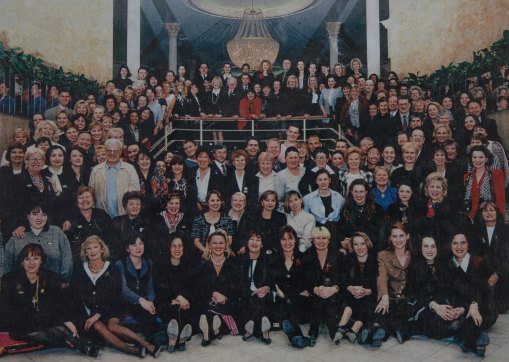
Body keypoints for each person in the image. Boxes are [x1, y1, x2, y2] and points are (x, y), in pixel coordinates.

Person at [0, 244, 98, 357]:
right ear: (22, 262)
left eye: (36, 258)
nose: (32, 263)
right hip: (20, 324)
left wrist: (66, 321)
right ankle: (78, 343)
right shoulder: (10, 279)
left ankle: (74, 343)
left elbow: (54, 305)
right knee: (44, 331)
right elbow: (8, 310)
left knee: (47, 331)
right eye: (27, 259)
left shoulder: (49, 277)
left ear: (41, 260)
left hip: (43, 322)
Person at [70, 236, 161, 357]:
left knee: (112, 326)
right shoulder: (79, 269)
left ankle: (147, 345)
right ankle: (133, 350)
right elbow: (75, 295)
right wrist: (89, 315)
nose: (93, 251)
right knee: (97, 326)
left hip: (110, 308)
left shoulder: (112, 268)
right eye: (89, 248)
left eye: (96, 247)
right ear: (85, 252)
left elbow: (114, 295)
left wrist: (99, 314)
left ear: (102, 249)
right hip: (89, 312)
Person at [447, 233, 498, 357]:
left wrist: (474, 305)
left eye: (463, 242)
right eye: (455, 243)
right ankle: (476, 340)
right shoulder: (447, 265)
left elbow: (483, 290)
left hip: (482, 306)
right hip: (462, 308)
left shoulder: (479, 262)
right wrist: (464, 308)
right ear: (450, 245)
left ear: (468, 245)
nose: (459, 246)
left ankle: (470, 339)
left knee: (466, 320)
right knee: (455, 323)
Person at [407, 236, 463, 343]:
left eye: (433, 246)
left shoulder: (447, 265)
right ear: (420, 248)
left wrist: (455, 309)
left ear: (438, 248)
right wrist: (434, 306)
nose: (430, 250)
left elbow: (453, 291)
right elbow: (415, 295)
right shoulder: (414, 268)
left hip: (443, 307)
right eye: (426, 246)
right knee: (450, 326)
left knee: (458, 320)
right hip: (424, 307)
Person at [4, 202, 73, 282]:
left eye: (43, 215)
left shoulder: (57, 232)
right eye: (35, 214)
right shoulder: (18, 235)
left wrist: (64, 281)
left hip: (53, 285)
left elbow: (67, 258)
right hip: (22, 286)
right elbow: (6, 262)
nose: (39, 218)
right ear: (28, 216)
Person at [371, 223, 412, 347]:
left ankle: (384, 331)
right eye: (395, 236)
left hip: (407, 300)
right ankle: (378, 331)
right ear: (390, 238)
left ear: (407, 236)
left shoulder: (414, 255)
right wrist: (384, 297)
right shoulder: (383, 255)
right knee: (381, 312)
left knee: (401, 317)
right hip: (390, 298)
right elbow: (381, 277)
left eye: (401, 236)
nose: (398, 240)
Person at [116, 233, 161, 344]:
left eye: (141, 244)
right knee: (148, 319)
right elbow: (123, 289)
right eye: (134, 245)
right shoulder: (121, 264)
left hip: (145, 301)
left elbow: (150, 287)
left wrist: (150, 302)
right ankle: (157, 339)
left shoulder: (149, 263)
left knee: (157, 311)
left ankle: (170, 336)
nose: (138, 247)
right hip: (128, 302)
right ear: (127, 248)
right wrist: (141, 301)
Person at [195, 230, 239, 346]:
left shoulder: (233, 263)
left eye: (221, 243)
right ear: (209, 245)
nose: (218, 246)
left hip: (227, 302)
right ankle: (214, 330)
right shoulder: (203, 263)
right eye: (214, 243)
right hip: (209, 301)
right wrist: (213, 293)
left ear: (226, 245)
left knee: (227, 310)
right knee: (204, 309)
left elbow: (237, 286)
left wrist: (223, 296)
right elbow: (198, 287)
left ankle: (209, 332)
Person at [336, 232, 378, 345]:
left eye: (362, 244)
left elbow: (378, 285)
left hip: (370, 295)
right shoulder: (349, 259)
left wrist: (367, 291)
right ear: (352, 246)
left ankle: (352, 327)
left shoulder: (375, 260)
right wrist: (351, 288)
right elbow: (343, 281)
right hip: (352, 295)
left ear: (367, 244)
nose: (359, 247)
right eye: (356, 244)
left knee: (366, 300)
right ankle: (345, 325)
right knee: (351, 296)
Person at [274, 226, 312, 348]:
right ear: (279, 241)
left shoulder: (303, 258)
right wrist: (277, 289)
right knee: (286, 302)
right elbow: (272, 280)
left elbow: (305, 283)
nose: (287, 242)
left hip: (300, 303)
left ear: (296, 240)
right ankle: (300, 338)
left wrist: (287, 292)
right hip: (282, 299)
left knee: (289, 301)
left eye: (290, 238)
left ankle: (294, 334)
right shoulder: (274, 259)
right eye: (283, 239)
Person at [154, 235, 194, 352]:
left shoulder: (188, 266)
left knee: (184, 308)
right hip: (167, 301)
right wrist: (176, 298)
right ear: (169, 248)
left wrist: (183, 299)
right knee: (174, 308)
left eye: (180, 246)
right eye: (174, 246)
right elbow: (161, 289)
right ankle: (177, 338)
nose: (177, 249)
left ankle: (175, 338)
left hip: (184, 302)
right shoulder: (161, 266)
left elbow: (191, 288)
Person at [305, 226, 342, 344]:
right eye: (318, 238)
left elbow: (343, 277)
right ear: (313, 240)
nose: (321, 241)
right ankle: (332, 328)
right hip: (314, 293)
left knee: (328, 296)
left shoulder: (337, 255)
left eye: (324, 238)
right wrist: (315, 289)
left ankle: (314, 329)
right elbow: (305, 278)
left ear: (329, 240)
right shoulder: (307, 255)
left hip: (334, 292)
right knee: (319, 297)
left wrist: (334, 288)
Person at [472, 201, 509, 312]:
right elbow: (475, 254)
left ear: (497, 213)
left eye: (492, 210)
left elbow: (506, 256)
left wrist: (497, 274)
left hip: (502, 271)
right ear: (481, 214)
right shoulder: (476, 231)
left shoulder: (506, 230)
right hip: (484, 271)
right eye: (485, 210)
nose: (489, 213)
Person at [88, 138, 140, 218]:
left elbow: (135, 195)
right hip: (102, 218)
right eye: (109, 150)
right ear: (105, 151)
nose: (112, 153)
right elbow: (91, 194)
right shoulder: (96, 170)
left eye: (116, 150)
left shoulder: (129, 169)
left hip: (124, 217)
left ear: (120, 152)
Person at [238, 230, 273, 344]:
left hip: (261, 292)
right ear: (247, 242)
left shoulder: (267, 259)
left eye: (258, 240)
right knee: (249, 301)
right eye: (252, 239)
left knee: (262, 299)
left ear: (262, 244)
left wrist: (266, 287)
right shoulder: (241, 259)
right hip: (246, 293)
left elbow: (271, 279)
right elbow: (238, 281)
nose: (254, 242)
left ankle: (251, 329)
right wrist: (249, 292)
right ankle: (263, 331)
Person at [63, 186, 112, 263]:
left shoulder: (102, 215)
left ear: (93, 200)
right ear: (76, 201)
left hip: (103, 257)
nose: (84, 200)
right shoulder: (71, 219)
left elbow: (111, 238)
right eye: (81, 198)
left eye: (87, 197)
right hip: (80, 260)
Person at [339, 179, 386, 251]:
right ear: (351, 192)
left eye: (361, 192)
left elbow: (380, 234)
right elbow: (342, 231)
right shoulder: (346, 209)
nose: (358, 195)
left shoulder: (377, 209)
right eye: (356, 192)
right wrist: (345, 241)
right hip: (352, 249)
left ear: (366, 192)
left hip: (371, 249)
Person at [303, 169, 344, 245]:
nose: (323, 182)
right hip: (317, 234)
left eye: (325, 179)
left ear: (330, 180)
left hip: (335, 233)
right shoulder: (307, 199)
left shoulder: (338, 197)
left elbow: (343, 217)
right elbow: (305, 220)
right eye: (320, 180)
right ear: (316, 181)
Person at [463, 145, 505, 219]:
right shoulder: (466, 177)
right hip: (470, 217)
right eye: (475, 157)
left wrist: (500, 220)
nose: (477, 160)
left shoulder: (497, 174)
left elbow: (500, 201)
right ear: (471, 159)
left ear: (486, 159)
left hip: (488, 217)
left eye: (481, 157)